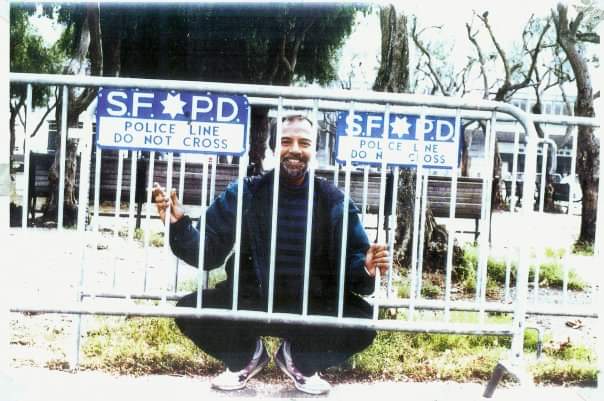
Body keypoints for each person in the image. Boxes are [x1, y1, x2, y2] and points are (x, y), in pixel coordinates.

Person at [153, 114, 389, 395]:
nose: (295, 149)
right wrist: (179, 225)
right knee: (190, 310)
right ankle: (247, 357)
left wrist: (366, 268)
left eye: (304, 143)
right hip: (252, 301)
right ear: (274, 147)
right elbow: (208, 252)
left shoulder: (334, 201)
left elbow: (355, 271)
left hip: (311, 306)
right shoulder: (245, 192)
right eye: (286, 141)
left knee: (362, 323)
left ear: (314, 149)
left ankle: (297, 360)